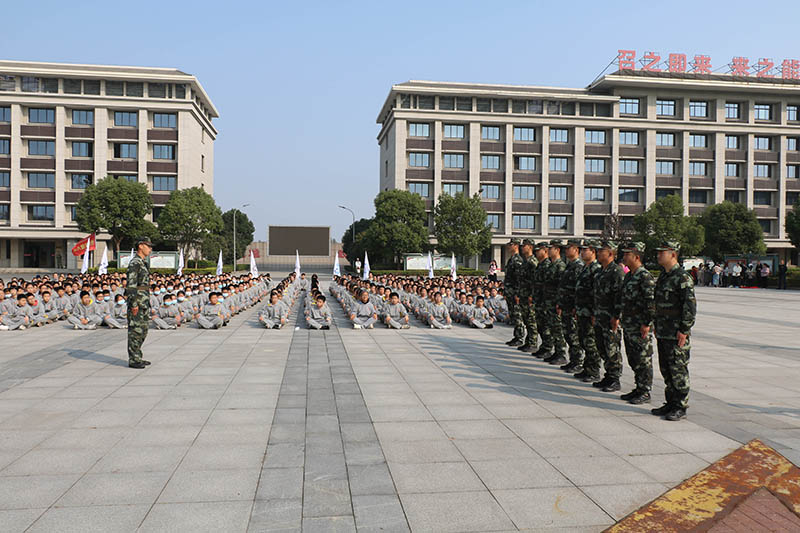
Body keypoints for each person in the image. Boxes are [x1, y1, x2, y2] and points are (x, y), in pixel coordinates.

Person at [652, 241, 696, 421]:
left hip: (676, 332)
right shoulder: (664, 276)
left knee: (678, 369)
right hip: (663, 330)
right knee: (666, 369)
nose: (658, 255)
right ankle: (670, 402)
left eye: (662, 252)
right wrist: (656, 324)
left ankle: (680, 406)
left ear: (673, 254)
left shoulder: (682, 278)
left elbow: (689, 306)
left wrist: (684, 329)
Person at [619, 242, 655, 405]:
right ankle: (638, 387)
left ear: (637, 257)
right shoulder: (629, 276)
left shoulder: (644, 276)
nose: (624, 257)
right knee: (633, 357)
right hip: (629, 324)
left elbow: (650, 302)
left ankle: (645, 391)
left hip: (640, 325)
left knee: (643, 358)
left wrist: (646, 323)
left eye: (628, 254)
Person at [592, 240, 624, 393]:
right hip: (600, 316)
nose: (598, 253)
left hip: (610, 318)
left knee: (612, 348)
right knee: (602, 347)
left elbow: (619, 296)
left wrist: (616, 316)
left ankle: (615, 378)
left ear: (610, 253)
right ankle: (608, 375)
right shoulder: (600, 271)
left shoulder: (616, 271)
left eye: (601, 251)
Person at [573, 239, 602, 382]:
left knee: (591, 342)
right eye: (582, 250)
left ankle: (594, 370)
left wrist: (594, 312)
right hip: (582, 311)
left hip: (590, 312)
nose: (582, 252)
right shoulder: (585, 267)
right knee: (584, 340)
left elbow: (595, 293)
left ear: (593, 252)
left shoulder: (596, 269)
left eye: (585, 250)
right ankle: (587, 367)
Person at [126, 237, 153, 369]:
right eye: (148, 246)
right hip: (137, 302)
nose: (150, 249)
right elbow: (131, 285)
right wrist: (134, 304)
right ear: (141, 246)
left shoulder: (143, 263)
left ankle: (138, 355)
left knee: (143, 330)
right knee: (135, 331)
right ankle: (134, 359)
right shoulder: (135, 263)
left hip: (144, 301)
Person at [557, 239, 583, 372]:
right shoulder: (570, 265)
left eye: (569, 248)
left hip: (572, 307)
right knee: (568, 334)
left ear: (576, 250)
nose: (566, 251)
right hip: (566, 306)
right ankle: (573, 360)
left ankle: (578, 361)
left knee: (574, 335)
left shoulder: (578, 266)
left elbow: (578, 290)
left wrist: (575, 307)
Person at [542, 240, 567, 366]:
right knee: (552, 327)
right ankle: (556, 352)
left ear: (557, 250)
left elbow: (561, 286)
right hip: (549, 302)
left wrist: (559, 302)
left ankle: (561, 353)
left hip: (555, 302)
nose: (548, 250)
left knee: (557, 328)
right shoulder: (552, 265)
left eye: (550, 248)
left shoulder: (560, 265)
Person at [516, 239, 538, 352]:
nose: (522, 247)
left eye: (524, 246)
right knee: (526, 319)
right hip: (523, 295)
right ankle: (528, 341)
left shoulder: (533, 262)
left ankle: (533, 343)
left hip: (529, 296)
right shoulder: (525, 261)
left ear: (530, 247)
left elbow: (535, 281)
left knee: (531, 320)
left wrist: (531, 295)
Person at [504, 239, 525, 346]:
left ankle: (520, 337)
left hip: (515, 293)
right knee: (513, 315)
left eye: (511, 245)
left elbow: (518, 279)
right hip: (510, 292)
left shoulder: (518, 260)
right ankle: (516, 336)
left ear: (516, 246)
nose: (509, 247)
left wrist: (517, 294)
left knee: (518, 316)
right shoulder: (511, 259)